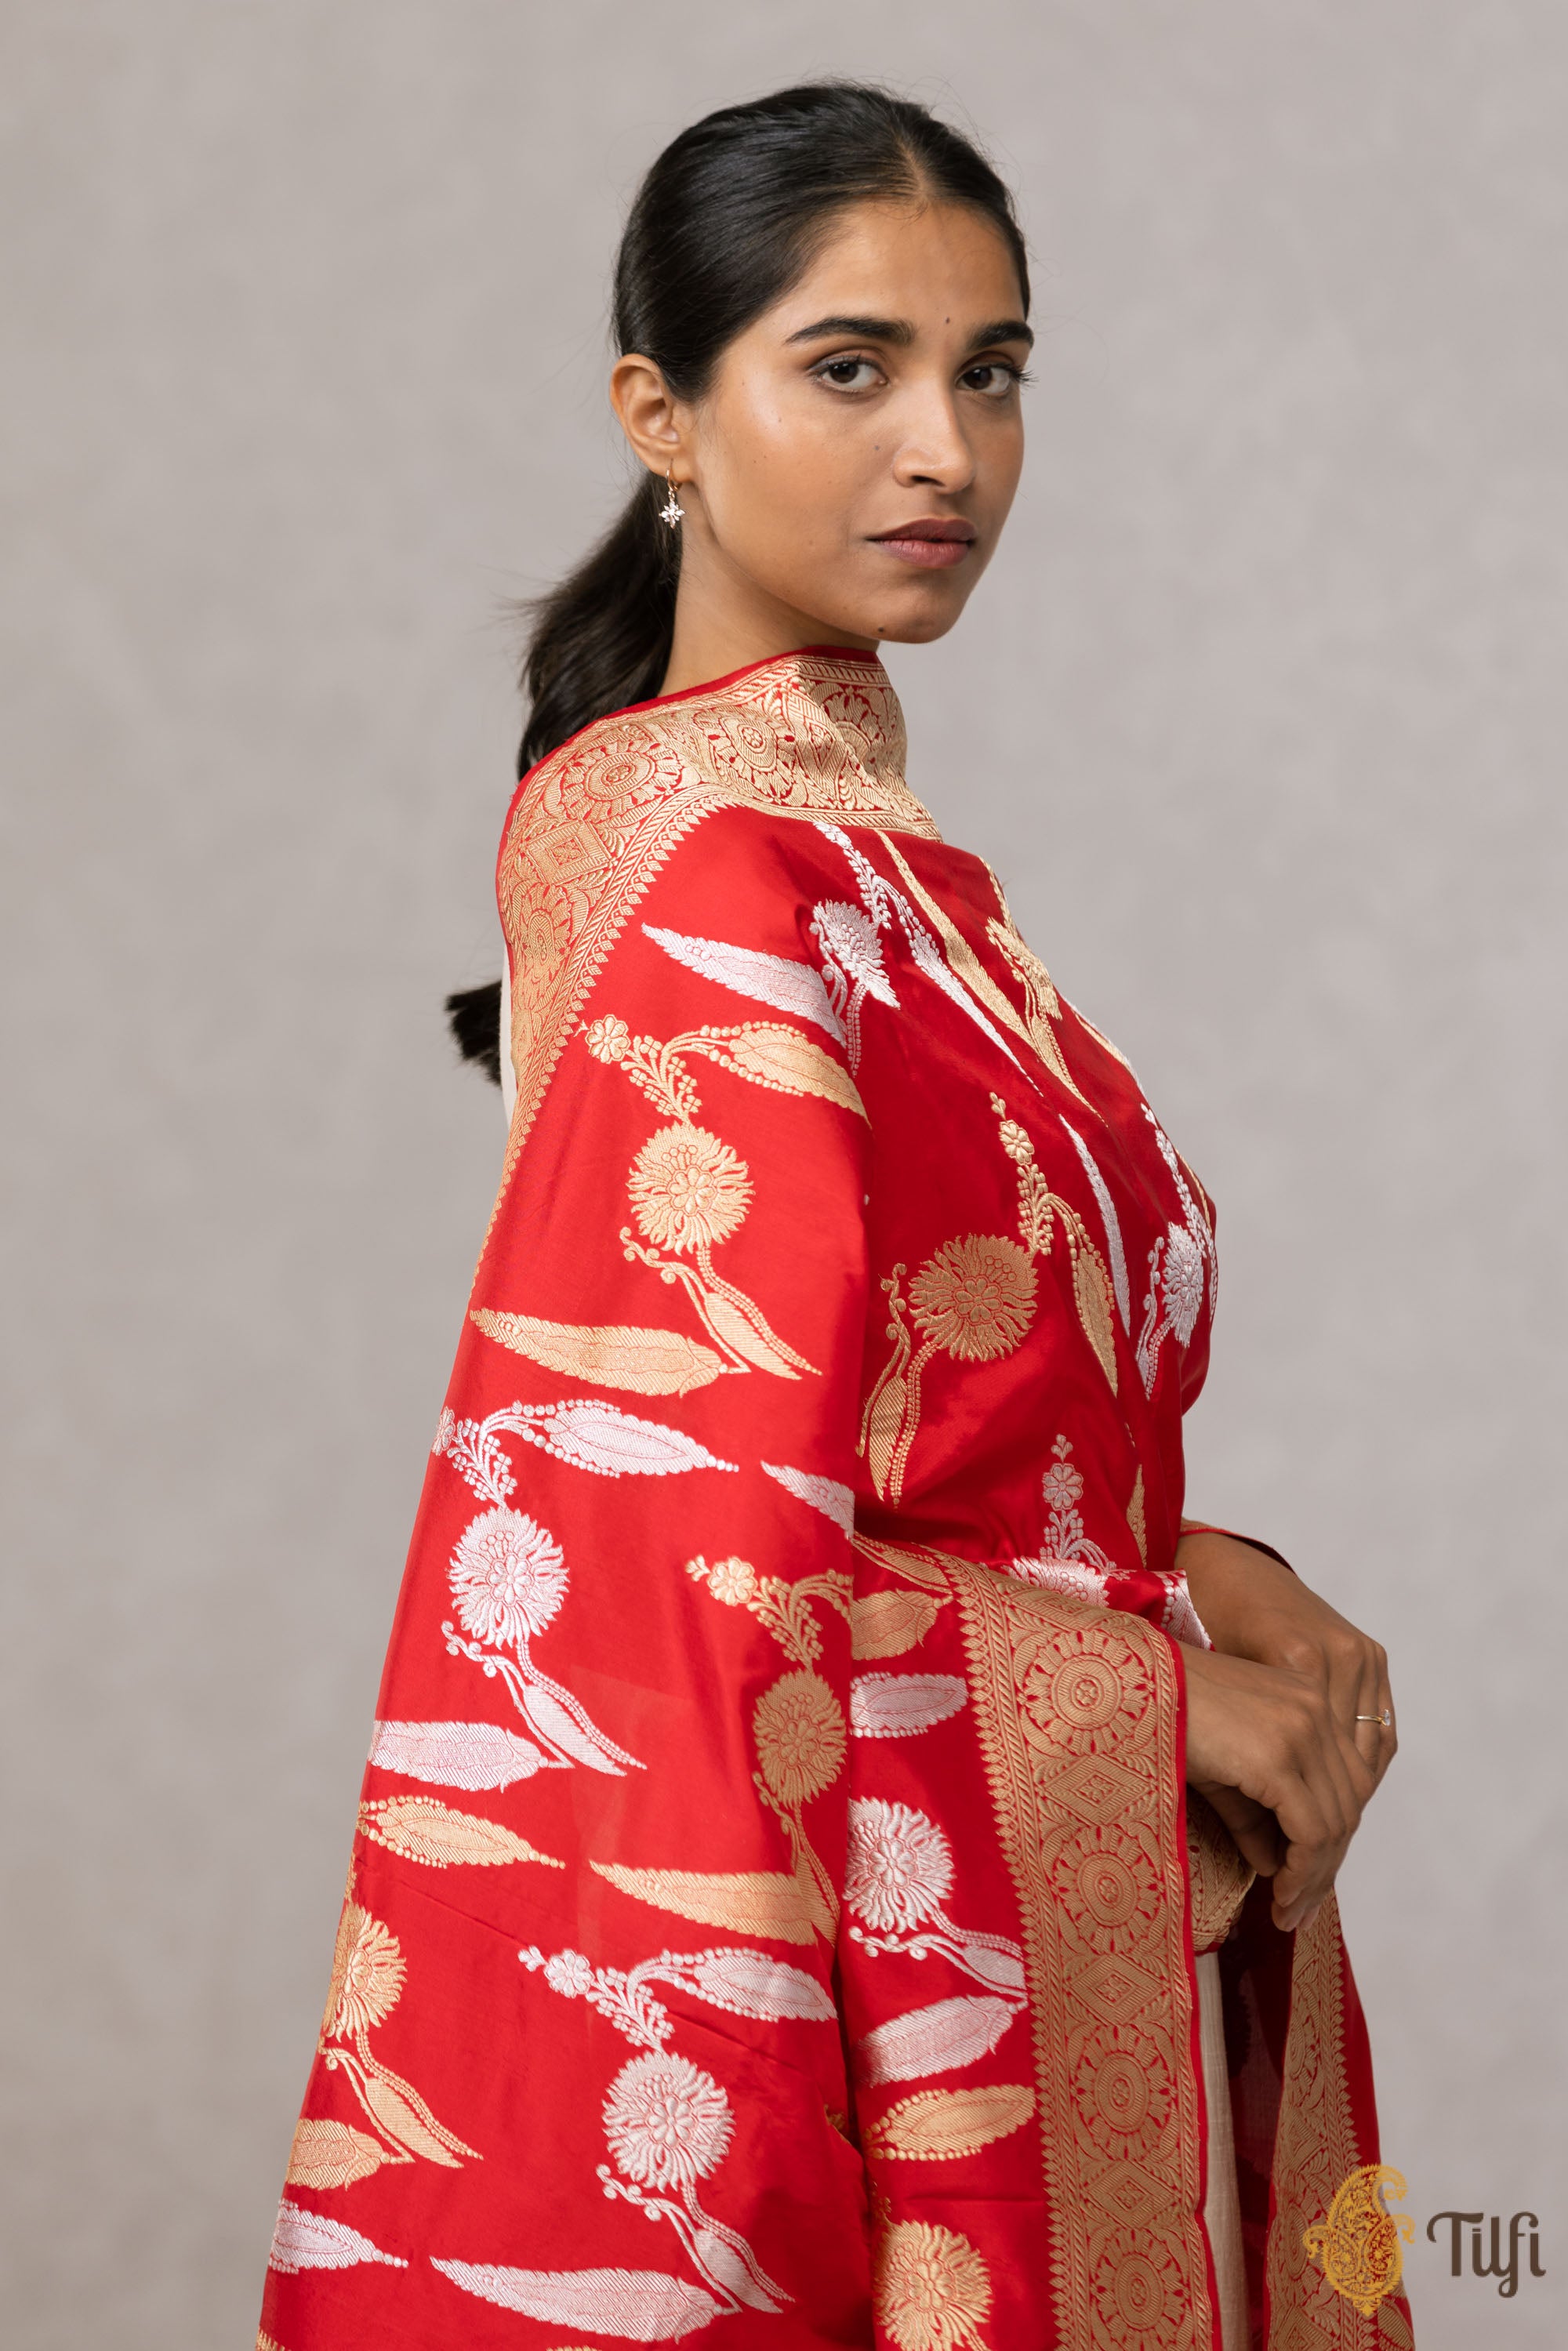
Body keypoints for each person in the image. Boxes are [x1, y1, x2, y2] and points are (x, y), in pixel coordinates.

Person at [260, 82, 1410, 2351]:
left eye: (993, 372)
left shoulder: (877, 869)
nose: (945, 452)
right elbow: (665, 1565)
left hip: (1028, 1949)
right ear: (661, 417)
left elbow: (890, 1434)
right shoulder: (711, 871)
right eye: (852, 367)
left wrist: (1196, 1568)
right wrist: (1137, 1697)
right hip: (899, 2034)